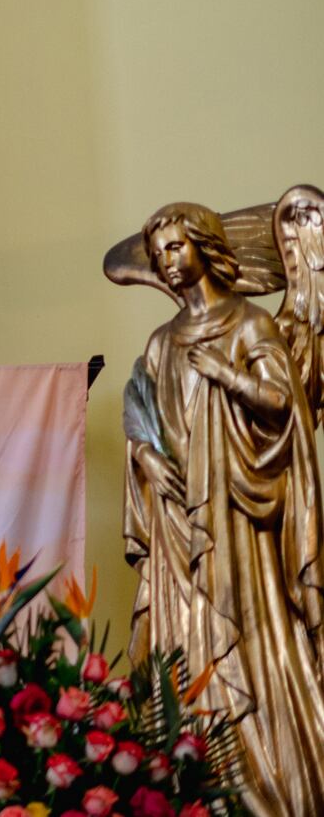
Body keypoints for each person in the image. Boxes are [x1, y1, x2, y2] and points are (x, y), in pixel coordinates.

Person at [122, 201, 324, 813]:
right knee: (188, 648)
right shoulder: (160, 344)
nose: (165, 260)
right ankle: (203, 790)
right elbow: (140, 409)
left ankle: (277, 786)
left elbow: (284, 406)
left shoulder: (249, 324)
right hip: (179, 522)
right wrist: (142, 457)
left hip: (244, 522)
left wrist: (228, 377)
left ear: (204, 247)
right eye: (157, 254)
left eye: (175, 247)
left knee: (254, 641)